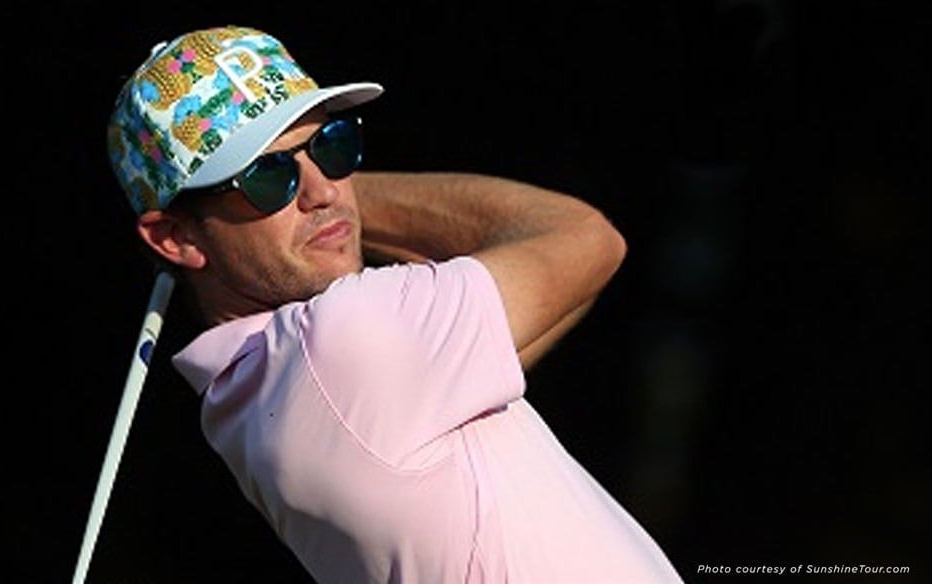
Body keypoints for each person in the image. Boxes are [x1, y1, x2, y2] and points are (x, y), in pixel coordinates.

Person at [106, 24, 683, 583]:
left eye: (332, 147)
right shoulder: (345, 339)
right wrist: (351, 207)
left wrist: (299, 206)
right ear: (174, 239)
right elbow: (587, 239)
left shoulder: (243, 396)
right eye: (266, 177)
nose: (325, 190)